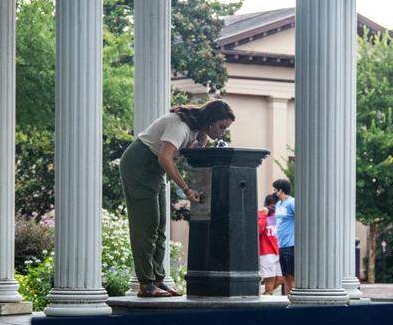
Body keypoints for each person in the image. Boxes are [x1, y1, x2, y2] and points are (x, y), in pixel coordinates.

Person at [120, 100, 234, 297]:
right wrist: (187, 190)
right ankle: (146, 284)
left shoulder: (194, 129)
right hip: (139, 165)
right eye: (221, 126)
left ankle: (157, 280)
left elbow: (189, 154)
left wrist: (201, 140)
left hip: (154, 171)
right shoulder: (180, 126)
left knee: (159, 226)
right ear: (210, 120)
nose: (222, 132)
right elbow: (165, 158)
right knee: (146, 226)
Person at [272, 179, 296, 295]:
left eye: (275, 190)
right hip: (281, 245)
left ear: (281, 190)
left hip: (292, 245)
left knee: (293, 276)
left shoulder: (292, 203)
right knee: (286, 276)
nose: (274, 192)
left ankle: (296, 299)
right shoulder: (278, 204)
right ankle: (288, 298)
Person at [258, 194, 281, 295]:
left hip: (279, 250)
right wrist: (263, 215)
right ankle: (267, 293)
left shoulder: (279, 216)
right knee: (270, 281)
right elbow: (258, 230)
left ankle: (266, 292)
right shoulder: (261, 215)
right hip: (267, 251)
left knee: (281, 278)